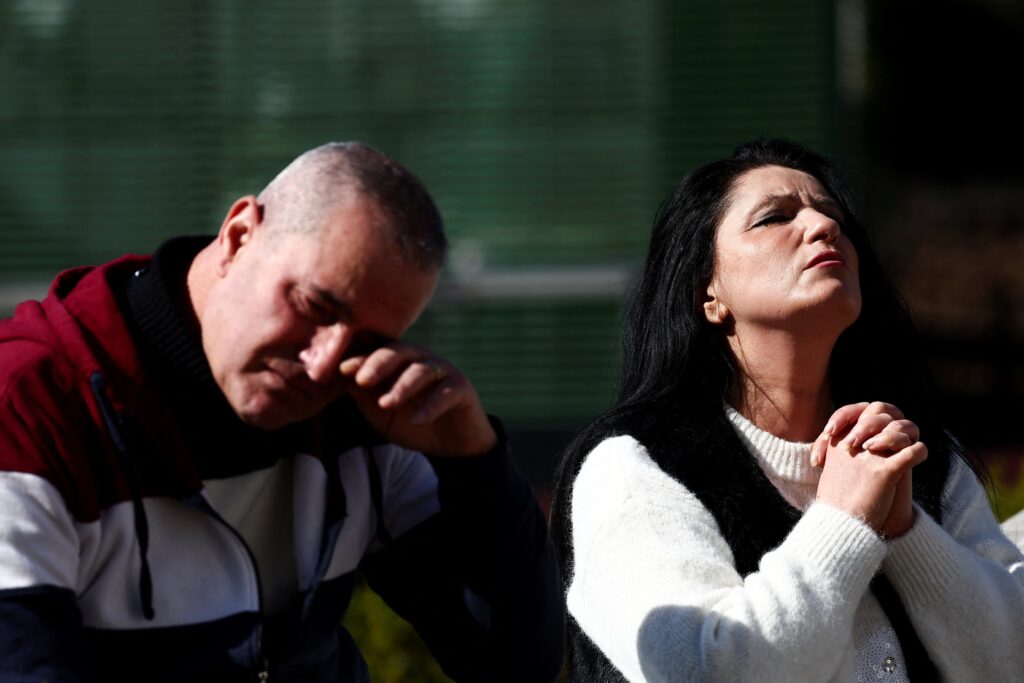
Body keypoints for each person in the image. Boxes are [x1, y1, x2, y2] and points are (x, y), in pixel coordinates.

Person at [0, 142, 564, 681]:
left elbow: (513, 660)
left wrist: (474, 464)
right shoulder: (26, 409)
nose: (323, 363)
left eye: (366, 341)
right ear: (239, 234)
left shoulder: (366, 406)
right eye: (314, 305)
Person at [551, 138, 1024, 681]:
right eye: (774, 218)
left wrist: (908, 531)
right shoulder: (636, 466)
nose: (824, 229)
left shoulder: (921, 456)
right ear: (709, 291)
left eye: (834, 216)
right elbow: (713, 668)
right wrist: (844, 521)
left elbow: (1010, 657)